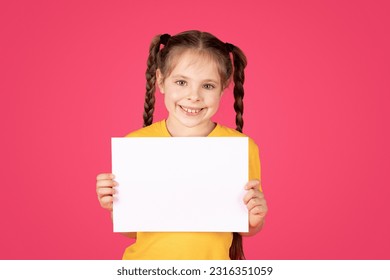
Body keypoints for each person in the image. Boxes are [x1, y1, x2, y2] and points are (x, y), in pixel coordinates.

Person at [96, 30, 268, 260]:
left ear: (223, 87)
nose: (193, 96)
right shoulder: (136, 145)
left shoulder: (241, 147)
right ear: (161, 81)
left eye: (207, 86)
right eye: (181, 82)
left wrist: (256, 218)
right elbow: (131, 231)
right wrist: (113, 205)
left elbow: (245, 226)